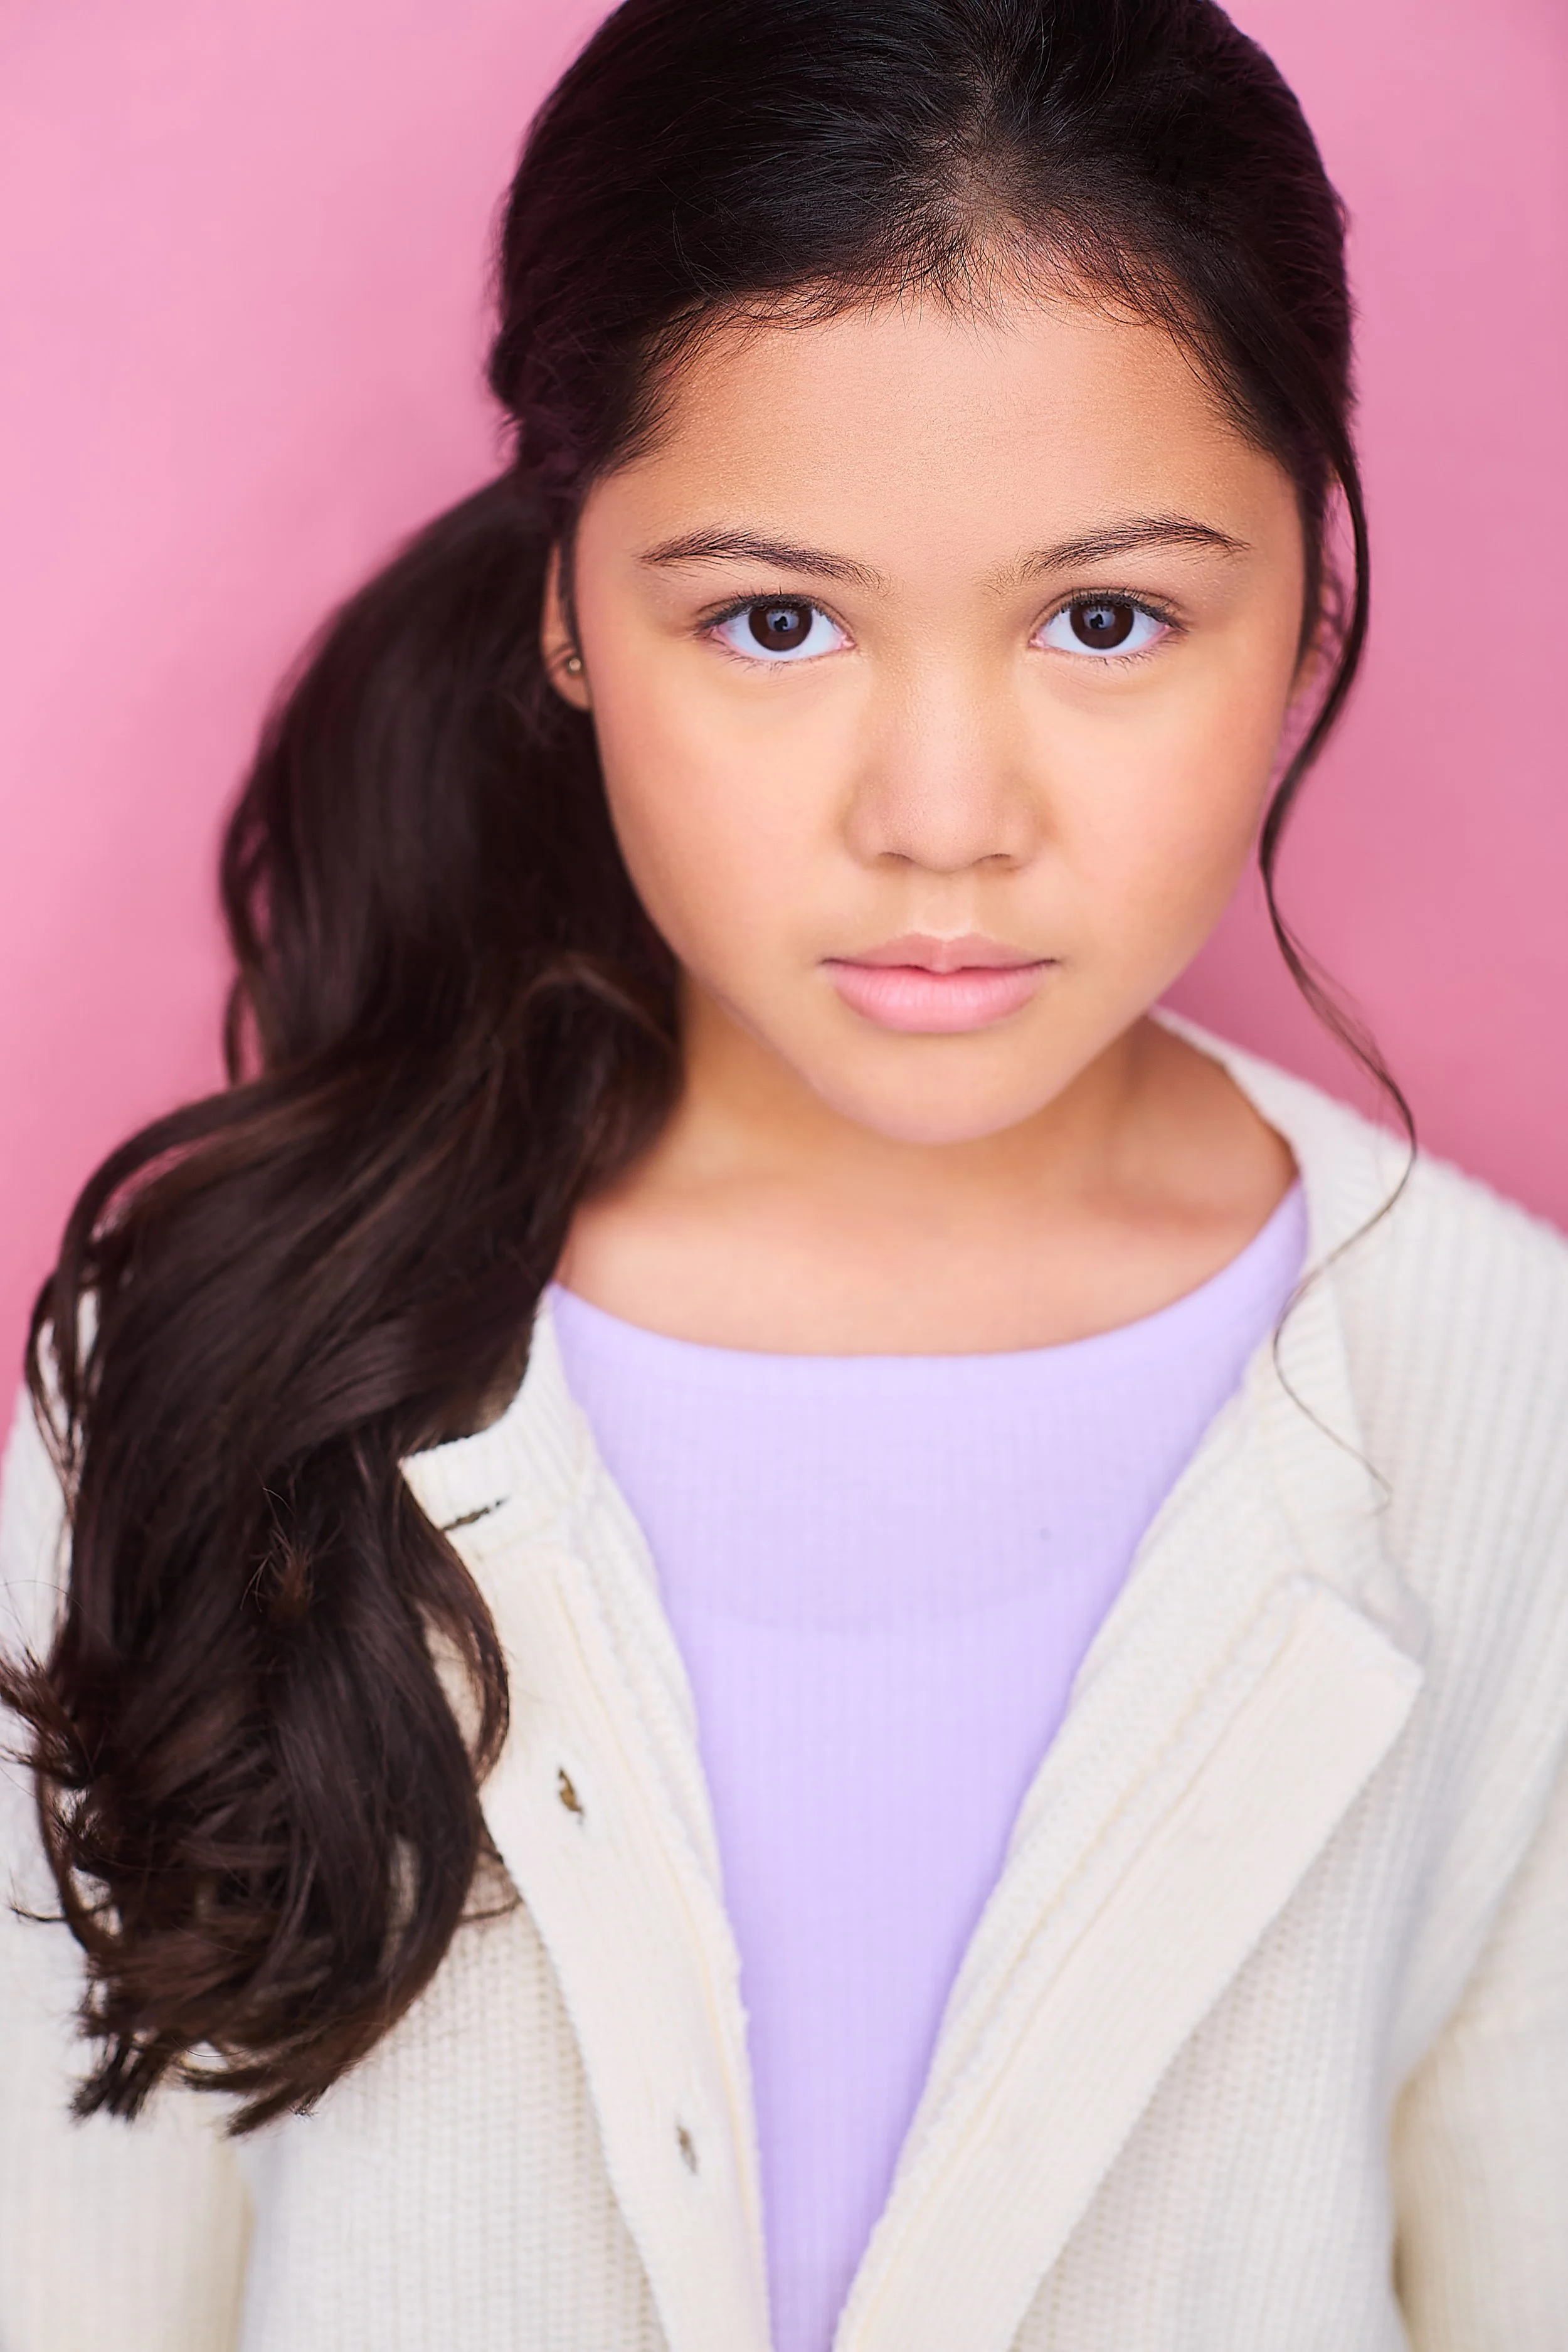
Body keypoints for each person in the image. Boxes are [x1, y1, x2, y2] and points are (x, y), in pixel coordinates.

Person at [2, 0, 1565, 2344]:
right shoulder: (218, 1352)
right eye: (773, 619)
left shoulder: (1506, 1400)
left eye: (1105, 618)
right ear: (567, 605)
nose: (939, 815)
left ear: (1309, 600)